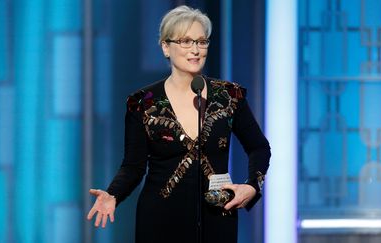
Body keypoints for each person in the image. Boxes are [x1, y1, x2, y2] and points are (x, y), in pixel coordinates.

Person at [87, 5, 270, 243]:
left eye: (201, 41)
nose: (195, 50)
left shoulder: (229, 96)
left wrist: (253, 186)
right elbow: (133, 165)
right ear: (166, 47)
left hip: (217, 217)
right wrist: (113, 194)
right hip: (160, 220)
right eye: (185, 41)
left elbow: (259, 147)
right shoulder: (143, 103)